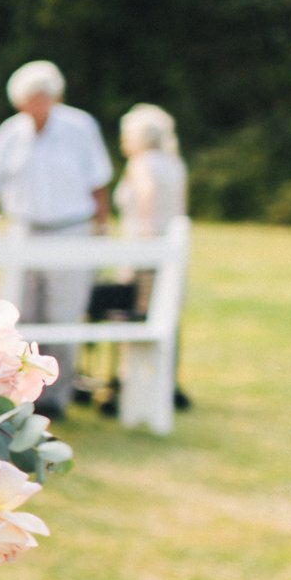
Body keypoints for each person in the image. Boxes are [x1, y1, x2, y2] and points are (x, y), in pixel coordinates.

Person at [0, 60, 114, 418]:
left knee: (64, 312)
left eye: (44, 97)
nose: (38, 104)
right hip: (24, 229)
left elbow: (98, 184)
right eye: (31, 98)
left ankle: (57, 397)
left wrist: (102, 229)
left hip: (70, 230)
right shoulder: (10, 133)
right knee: (21, 312)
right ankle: (21, 394)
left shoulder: (80, 127)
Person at [111, 102, 192, 409]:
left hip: (144, 253)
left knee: (136, 315)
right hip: (170, 252)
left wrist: (142, 244)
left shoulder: (142, 164)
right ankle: (167, 381)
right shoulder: (174, 163)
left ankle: (129, 384)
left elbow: (147, 199)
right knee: (167, 314)